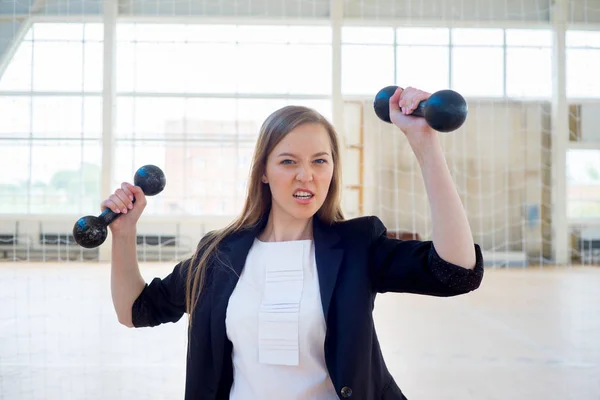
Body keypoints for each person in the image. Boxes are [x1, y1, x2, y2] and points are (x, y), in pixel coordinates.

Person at [105, 87, 484, 400]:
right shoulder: (218, 254)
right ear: (264, 172)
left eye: (320, 161)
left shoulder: (357, 246)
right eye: (288, 162)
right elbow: (135, 310)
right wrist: (123, 235)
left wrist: (424, 144)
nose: (307, 175)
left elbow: (456, 272)